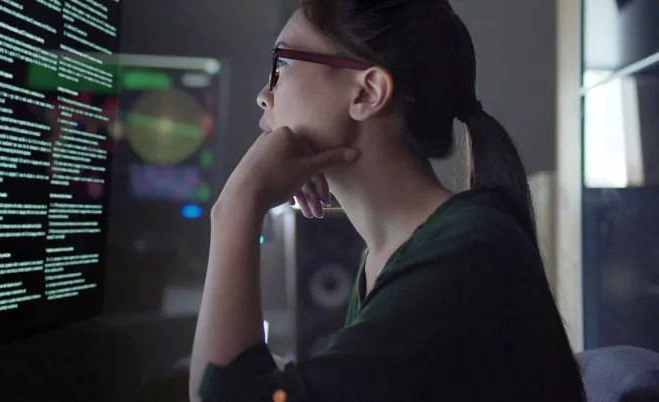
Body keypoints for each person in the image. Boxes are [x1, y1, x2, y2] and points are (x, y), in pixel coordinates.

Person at [189, 0, 585, 401]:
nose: (263, 95)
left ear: (368, 91)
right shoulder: (392, 253)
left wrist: (237, 206)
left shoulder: (466, 250)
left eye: (283, 63)